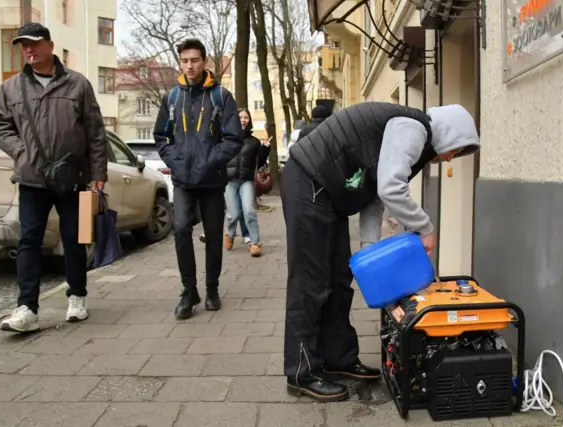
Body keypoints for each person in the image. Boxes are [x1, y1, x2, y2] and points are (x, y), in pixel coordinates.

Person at [281, 102, 480, 401]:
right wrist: (425, 228)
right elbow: (391, 188)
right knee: (311, 282)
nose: (451, 157)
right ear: (449, 132)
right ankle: (302, 372)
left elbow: (373, 195)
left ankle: (338, 359)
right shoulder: (413, 129)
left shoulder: (410, 137)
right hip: (309, 179)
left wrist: (368, 250)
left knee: (337, 280)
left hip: (326, 192)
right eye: (457, 148)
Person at [0, 23, 108, 332]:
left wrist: (98, 175)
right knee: (28, 240)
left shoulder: (78, 85)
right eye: (23, 45)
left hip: (74, 178)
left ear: (50, 46)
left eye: (34, 43)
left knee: (75, 238)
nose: (28, 49)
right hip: (31, 178)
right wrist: (20, 150)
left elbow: (95, 133)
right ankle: (27, 307)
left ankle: (77, 297)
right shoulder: (11, 88)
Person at [154, 38, 243, 320]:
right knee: (180, 229)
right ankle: (188, 290)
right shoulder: (172, 98)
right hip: (182, 179)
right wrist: (175, 161)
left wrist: (209, 161)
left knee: (214, 235)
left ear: (204, 61)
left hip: (212, 179)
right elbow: (161, 137)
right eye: (184, 61)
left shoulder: (220, 96)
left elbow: (233, 139)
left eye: (194, 60)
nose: (189, 66)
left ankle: (212, 288)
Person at [224, 108, 271, 257]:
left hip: (246, 181)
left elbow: (260, 162)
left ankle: (255, 243)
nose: (243, 120)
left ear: (249, 120)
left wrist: (265, 149)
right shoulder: (227, 139)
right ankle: (229, 234)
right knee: (233, 214)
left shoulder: (253, 142)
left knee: (249, 211)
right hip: (229, 181)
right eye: (240, 117)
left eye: (246, 117)